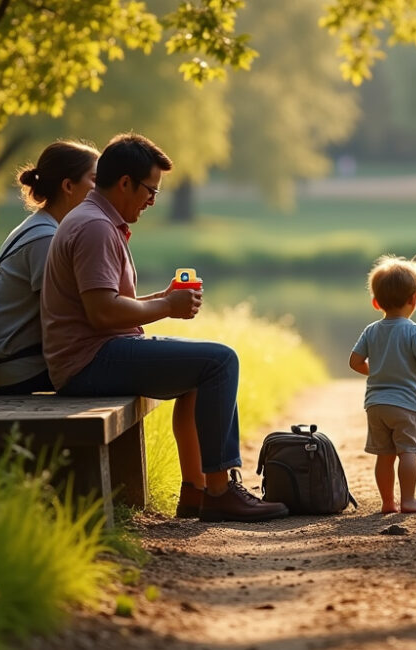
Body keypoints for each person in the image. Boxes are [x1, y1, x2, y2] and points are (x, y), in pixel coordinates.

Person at [41, 132, 288, 523]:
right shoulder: (95, 228)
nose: (152, 201)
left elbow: (108, 302)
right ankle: (221, 491)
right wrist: (165, 307)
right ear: (125, 182)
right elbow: (102, 313)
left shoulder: (97, 220)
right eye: (150, 192)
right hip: (89, 362)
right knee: (220, 361)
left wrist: (162, 297)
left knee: (199, 371)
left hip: (96, 353)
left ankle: (196, 491)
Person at [0, 140, 99, 395]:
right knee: (133, 370)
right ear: (69, 186)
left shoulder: (41, 228)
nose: (102, 189)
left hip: (23, 366)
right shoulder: (45, 239)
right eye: (95, 180)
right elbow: (65, 316)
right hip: (24, 371)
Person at [348, 254, 416, 514]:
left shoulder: (371, 330)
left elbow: (354, 361)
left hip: (375, 405)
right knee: (407, 452)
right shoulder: (414, 331)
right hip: (405, 405)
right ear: (414, 299)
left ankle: (387, 502)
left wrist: (377, 371)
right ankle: (408, 500)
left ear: (376, 302)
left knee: (384, 455)